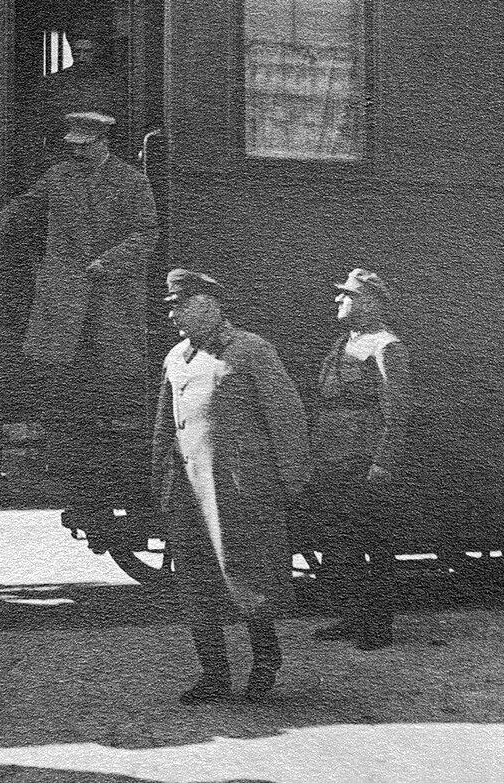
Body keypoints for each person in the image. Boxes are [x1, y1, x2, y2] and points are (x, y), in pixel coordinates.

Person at [0, 111, 158, 488]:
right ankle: (66, 462)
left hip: (110, 299)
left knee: (108, 380)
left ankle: (104, 465)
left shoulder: (131, 181)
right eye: (72, 147)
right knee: (61, 381)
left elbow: (146, 234)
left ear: (102, 143)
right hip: (62, 296)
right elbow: (24, 207)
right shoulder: (60, 176)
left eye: (84, 147)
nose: (76, 153)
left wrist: (110, 261)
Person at [152, 269, 310, 704]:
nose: (174, 315)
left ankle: (265, 660)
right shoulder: (175, 358)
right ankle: (214, 674)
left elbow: (288, 416)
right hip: (187, 488)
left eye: (181, 305)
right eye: (171, 307)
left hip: (239, 489)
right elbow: (165, 427)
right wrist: (158, 482)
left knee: (244, 578)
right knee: (194, 585)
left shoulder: (250, 350)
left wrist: (292, 476)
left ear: (210, 304)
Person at [307, 267, 414, 650]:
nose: (339, 299)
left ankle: (379, 627)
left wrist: (383, 460)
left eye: (347, 294)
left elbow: (396, 409)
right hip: (333, 456)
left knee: (373, 542)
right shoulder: (342, 343)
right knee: (341, 543)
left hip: (363, 459)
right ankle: (352, 619)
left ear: (369, 302)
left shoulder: (386, 346)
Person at [39, 33, 122, 155]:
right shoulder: (54, 82)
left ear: (96, 53)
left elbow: (117, 121)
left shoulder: (111, 83)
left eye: (87, 52)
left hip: (99, 150)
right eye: (78, 52)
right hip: (64, 150)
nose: (82, 57)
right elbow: (45, 121)